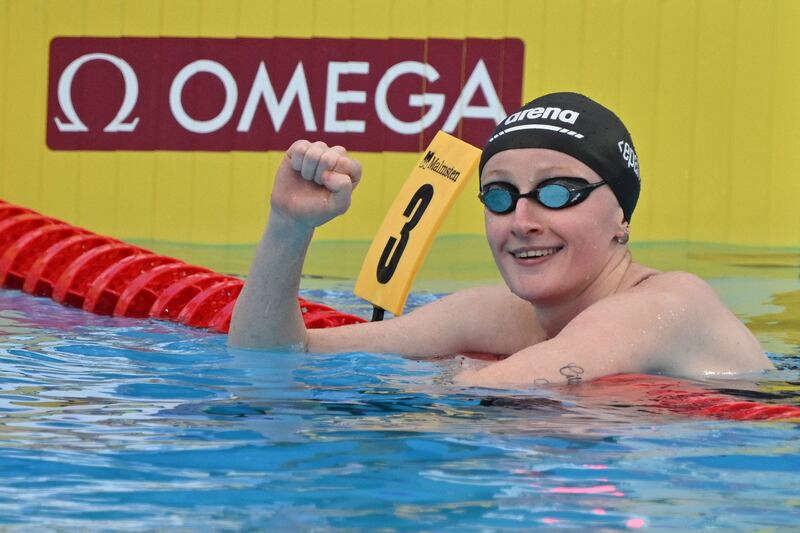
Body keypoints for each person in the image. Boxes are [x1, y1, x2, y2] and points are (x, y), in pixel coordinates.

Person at [228, 92, 773, 388]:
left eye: (558, 192)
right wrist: (288, 227)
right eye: (500, 195)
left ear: (622, 217)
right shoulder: (502, 314)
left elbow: (502, 385)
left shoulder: (669, 303)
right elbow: (277, 352)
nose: (523, 218)